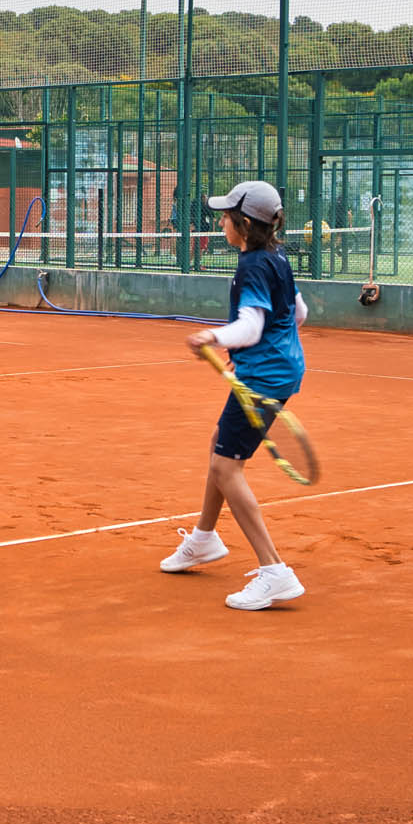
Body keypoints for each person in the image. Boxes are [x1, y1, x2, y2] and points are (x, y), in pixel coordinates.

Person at [163, 180, 307, 611]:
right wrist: (253, 351)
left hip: (265, 377)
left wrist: (214, 336)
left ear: (244, 223)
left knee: (228, 468)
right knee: (219, 449)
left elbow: (252, 326)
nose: (221, 220)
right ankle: (204, 539)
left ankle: (275, 571)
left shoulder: (253, 267)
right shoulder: (276, 257)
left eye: (226, 215)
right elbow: (299, 313)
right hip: (276, 369)